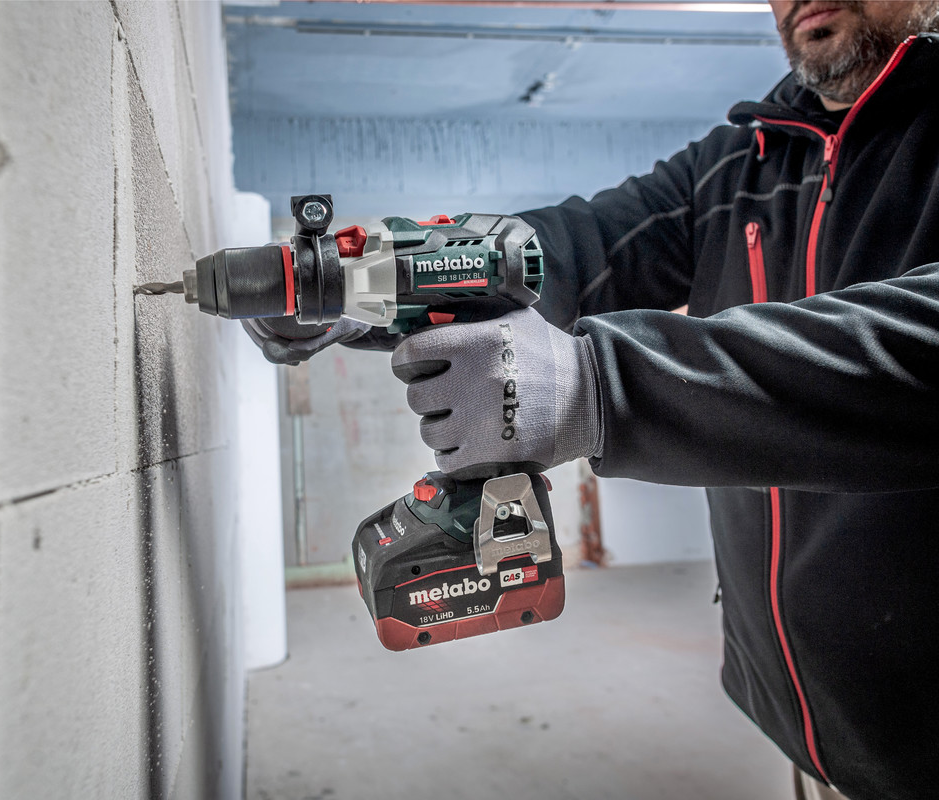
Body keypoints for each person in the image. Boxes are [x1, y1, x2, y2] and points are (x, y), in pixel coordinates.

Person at [387, 2, 939, 799]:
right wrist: (382, 275)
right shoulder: (742, 157)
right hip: (807, 727)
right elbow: (577, 245)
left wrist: (600, 387)